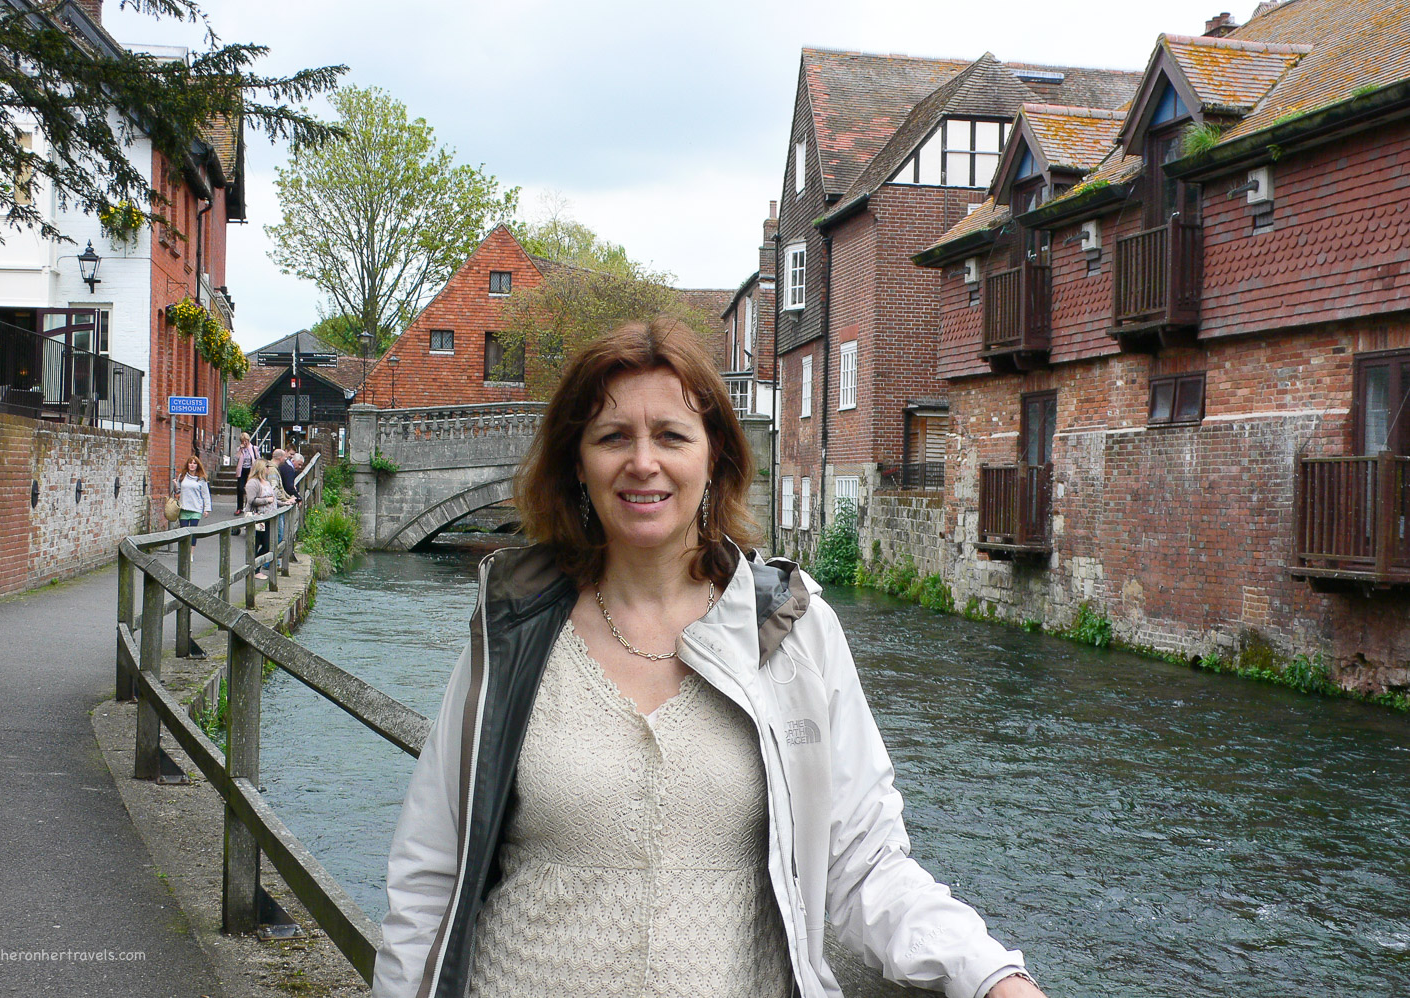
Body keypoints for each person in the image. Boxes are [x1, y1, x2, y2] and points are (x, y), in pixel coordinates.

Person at [374, 319, 1047, 998]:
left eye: (671, 435)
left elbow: (864, 862)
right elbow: (432, 867)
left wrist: (989, 974)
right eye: (612, 438)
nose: (643, 462)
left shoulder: (792, 629)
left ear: (715, 455)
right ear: (578, 461)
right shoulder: (515, 628)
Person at [243, 459, 278, 579]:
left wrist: (284, 503)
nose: (269, 469)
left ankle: (255, 568)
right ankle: (254, 570)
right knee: (256, 543)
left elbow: (273, 499)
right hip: (257, 518)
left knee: (268, 544)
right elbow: (251, 500)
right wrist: (266, 500)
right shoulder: (253, 483)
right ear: (262, 468)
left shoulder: (266, 482)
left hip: (268, 518)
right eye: (267, 466)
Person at [173, 454, 211, 547]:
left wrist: (207, 509)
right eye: (190, 463)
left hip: (196, 509)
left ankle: (190, 555)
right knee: (183, 533)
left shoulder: (201, 479)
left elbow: (206, 494)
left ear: (197, 465)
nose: (192, 465)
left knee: (193, 533)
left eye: (194, 463)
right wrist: (174, 484)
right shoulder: (182, 476)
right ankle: (183, 553)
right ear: (187, 465)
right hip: (184, 508)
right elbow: (177, 491)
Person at [234, 432, 259, 516]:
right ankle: (239, 507)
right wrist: (240, 450)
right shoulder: (239, 449)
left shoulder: (254, 448)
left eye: (246, 441)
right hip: (242, 470)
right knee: (240, 488)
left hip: (251, 470)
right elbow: (235, 459)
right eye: (242, 441)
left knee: (250, 489)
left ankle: (249, 507)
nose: (244, 443)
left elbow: (258, 458)